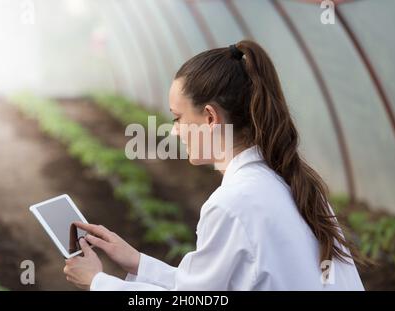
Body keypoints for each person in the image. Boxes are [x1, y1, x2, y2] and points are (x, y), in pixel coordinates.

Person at [63, 40, 364, 290]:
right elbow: (204, 287)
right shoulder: (295, 183)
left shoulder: (231, 204)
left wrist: (97, 282)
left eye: (178, 118)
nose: (174, 130)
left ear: (210, 117)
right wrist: (136, 261)